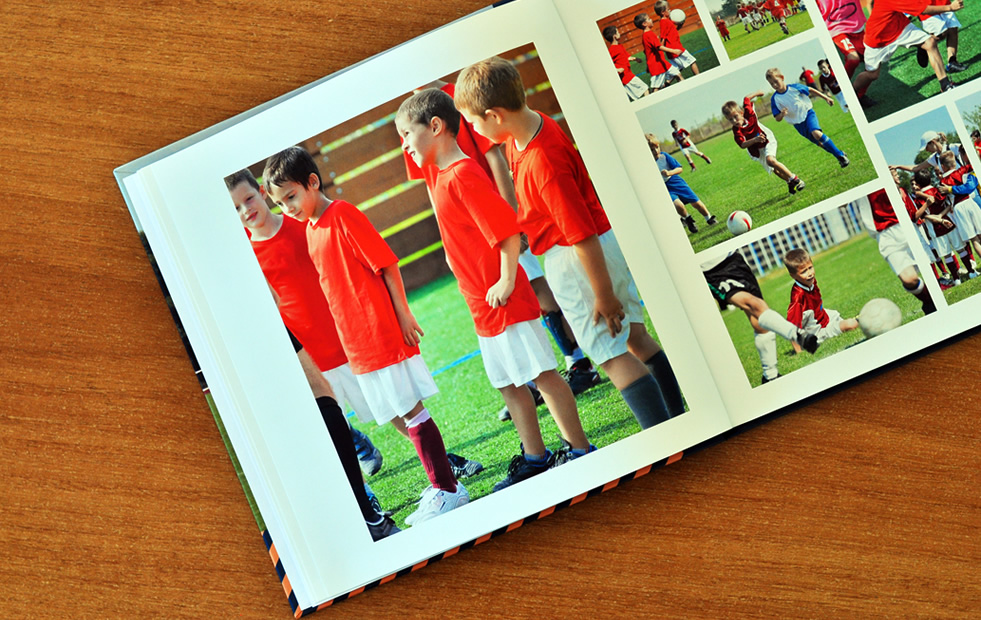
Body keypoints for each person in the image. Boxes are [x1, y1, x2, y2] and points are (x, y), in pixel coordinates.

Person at [456, 56, 687, 428]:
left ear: (495, 115)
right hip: (597, 246)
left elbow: (580, 233)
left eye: (473, 122)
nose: (474, 130)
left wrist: (604, 295)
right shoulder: (530, 130)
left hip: (578, 260)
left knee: (611, 355)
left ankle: (668, 435)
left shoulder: (541, 160)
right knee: (635, 337)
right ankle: (679, 422)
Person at [396, 88, 597, 491]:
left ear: (435, 127)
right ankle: (536, 458)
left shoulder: (463, 174)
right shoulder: (437, 172)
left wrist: (507, 279)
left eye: (406, 135)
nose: (404, 146)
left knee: (541, 374)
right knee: (508, 383)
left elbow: (507, 233)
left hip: (503, 298)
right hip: (481, 305)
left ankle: (580, 451)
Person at [226, 169, 484, 480]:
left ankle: (444, 461)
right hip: (312, 358)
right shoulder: (248, 256)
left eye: (249, 199)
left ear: (263, 193)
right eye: (235, 209)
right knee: (331, 427)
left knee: (396, 408)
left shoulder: (304, 223)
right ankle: (365, 488)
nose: (246, 210)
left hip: (350, 341)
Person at [263, 146, 469, 526]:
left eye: (290, 196)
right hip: (357, 344)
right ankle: (445, 484)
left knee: (411, 409)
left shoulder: (343, 214)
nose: (286, 208)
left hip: (381, 333)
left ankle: (449, 491)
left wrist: (403, 316)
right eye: (279, 203)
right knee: (398, 412)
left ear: (312, 182)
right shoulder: (310, 229)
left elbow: (386, 264)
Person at [702, 252, 819, 384]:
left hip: (735, 260)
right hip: (712, 272)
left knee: (759, 322)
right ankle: (798, 335)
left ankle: (770, 376)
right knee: (754, 304)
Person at [858, 0, 961, 96]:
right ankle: (850, 92)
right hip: (878, 38)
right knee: (872, 75)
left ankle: (945, 85)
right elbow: (923, 10)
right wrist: (950, 7)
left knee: (930, 43)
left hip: (900, 27)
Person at [861, 187, 936, 315]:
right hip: (884, 234)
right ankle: (930, 302)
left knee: (928, 268)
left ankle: (936, 304)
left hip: (905, 225)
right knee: (909, 279)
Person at [722, 91, 805, 194]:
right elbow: (742, 144)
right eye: (730, 120)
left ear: (741, 113)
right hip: (757, 150)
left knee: (771, 160)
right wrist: (755, 140)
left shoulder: (749, 113)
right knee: (774, 169)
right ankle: (789, 182)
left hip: (767, 140)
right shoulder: (736, 130)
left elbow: (746, 98)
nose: (734, 121)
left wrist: (758, 93)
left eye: (735, 117)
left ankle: (795, 179)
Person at [766, 67, 850, 168]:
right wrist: (782, 114)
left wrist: (826, 97)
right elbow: (777, 118)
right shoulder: (775, 99)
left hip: (808, 114)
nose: (775, 85)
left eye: (776, 81)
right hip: (798, 124)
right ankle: (839, 154)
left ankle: (840, 156)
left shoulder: (794, 88)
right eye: (772, 84)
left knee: (816, 133)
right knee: (820, 143)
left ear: (782, 77)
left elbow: (810, 89)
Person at [782, 248, 860, 349]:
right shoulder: (798, 297)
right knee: (851, 324)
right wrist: (799, 352)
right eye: (804, 271)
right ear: (793, 276)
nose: (809, 273)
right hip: (817, 331)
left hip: (824, 316)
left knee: (838, 317)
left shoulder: (811, 281)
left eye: (810, 268)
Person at [646, 133, 718, 234]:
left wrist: (669, 172)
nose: (656, 151)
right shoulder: (647, 164)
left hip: (676, 182)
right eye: (652, 149)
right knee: (678, 205)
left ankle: (708, 218)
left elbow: (679, 168)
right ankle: (688, 219)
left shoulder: (664, 156)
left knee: (696, 203)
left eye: (657, 147)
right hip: (665, 188)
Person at [816, 0, 877, 106]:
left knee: (874, 67)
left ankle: (859, 96)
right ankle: (843, 88)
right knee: (853, 59)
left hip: (856, 26)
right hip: (836, 28)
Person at [634, 12, 683, 92]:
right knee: (656, 88)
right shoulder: (649, 34)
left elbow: (647, 52)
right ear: (644, 23)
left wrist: (647, 66)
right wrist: (674, 51)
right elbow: (659, 47)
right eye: (649, 19)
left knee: (678, 74)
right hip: (657, 66)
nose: (651, 20)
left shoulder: (645, 35)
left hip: (662, 62)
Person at [917, 0, 967, 73]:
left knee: (953, 28)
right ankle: (924, 45)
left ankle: (952, 62)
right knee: (941, 33)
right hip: (927, 8)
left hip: (944, 3)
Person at [602, 26, 650, 102]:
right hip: (626, 77)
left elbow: (625, 57)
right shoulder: (612, 49)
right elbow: (607, 64)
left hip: (628, 75)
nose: (619, 33)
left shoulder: (619, 46)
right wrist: (617, 69)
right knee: (645, 88)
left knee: (635, 98)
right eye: (617, 32)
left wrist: (635, 59)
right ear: (614, 36)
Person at [654, 0, 699, 76]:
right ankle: (699, 77)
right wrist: (672, 50)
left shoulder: (667, 21)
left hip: (674, 50)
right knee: (692, 61)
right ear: (663, 12)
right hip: (676, 49)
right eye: (668, 9)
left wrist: (679, 26)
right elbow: (662, 42)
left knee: (677, 70)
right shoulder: (664, 22)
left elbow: (671, 33)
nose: (670, 10)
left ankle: (667, 83)